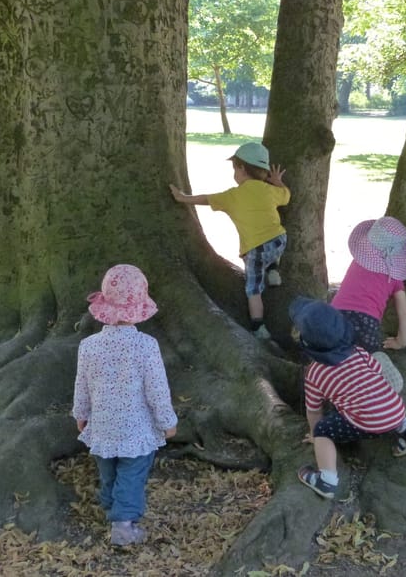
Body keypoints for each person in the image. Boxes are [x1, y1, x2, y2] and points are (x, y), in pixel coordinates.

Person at [72, 264, 178, 547]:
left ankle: (109, 507)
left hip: (103, 426)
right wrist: (168, 422)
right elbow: (157, 389)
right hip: (136, 429)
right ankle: (122, 525)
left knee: (108, 470)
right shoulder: (146, 345)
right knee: (132, 472)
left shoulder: (89, 346)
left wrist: (80, 415)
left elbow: (81, 385)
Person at [290, 297, 406, 499]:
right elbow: (378, 369)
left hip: (366, 424)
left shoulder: (315, 374)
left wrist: (314, 434)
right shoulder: (359, 353)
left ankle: (326, 480)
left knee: (322, 430)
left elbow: (314, 410)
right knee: (382, 400)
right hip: (396, 410)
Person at [169, 142, 290, 340]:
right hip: (280, 241)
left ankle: (259, 327)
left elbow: (207, 199)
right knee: (271, 246)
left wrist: (183, 198)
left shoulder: (232, 196)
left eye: (234, 168)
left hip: (256, 250)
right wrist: (277, 181)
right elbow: (286, 196)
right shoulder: (269, 190)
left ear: (241, 168)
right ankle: (274, 271)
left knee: (253, 290)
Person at [330, 216, 406, 391]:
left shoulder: (358, 261)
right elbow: (404, 313)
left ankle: (330, 372)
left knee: (333, 344)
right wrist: (401, 341)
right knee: (366, 350)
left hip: (334, 314)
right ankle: (376, 361)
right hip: (366, 321)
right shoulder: (395, 277)